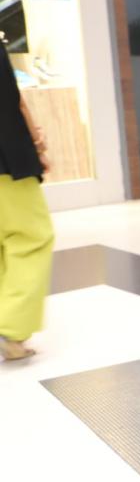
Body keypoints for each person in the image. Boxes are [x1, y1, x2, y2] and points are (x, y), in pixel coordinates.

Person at [0, 45, 53, 361]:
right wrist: (36, 142)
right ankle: (12, 328)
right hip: (6, 158)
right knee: (31, 237)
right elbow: (11, 98)